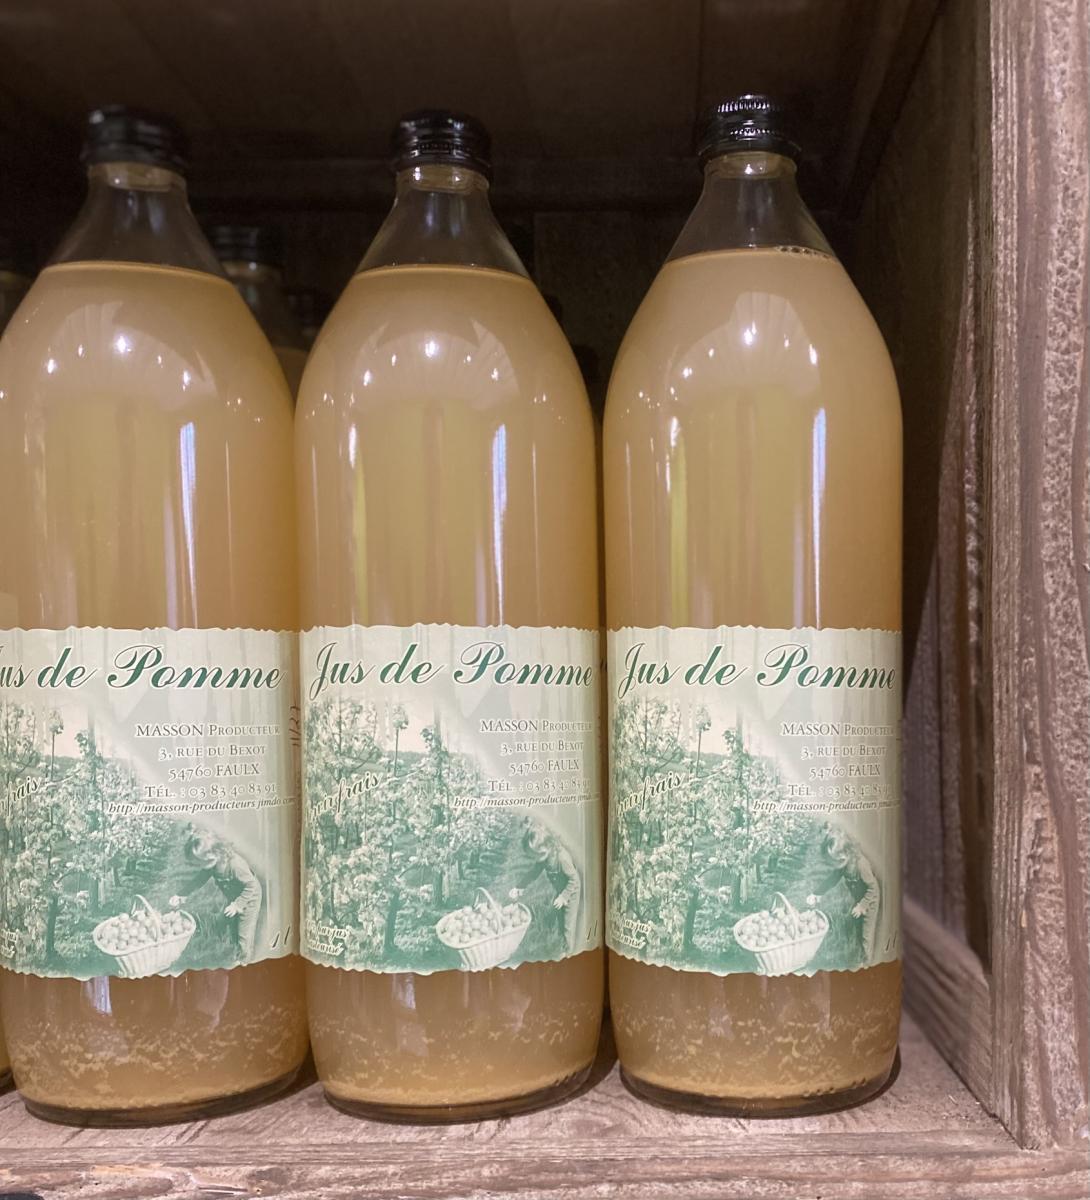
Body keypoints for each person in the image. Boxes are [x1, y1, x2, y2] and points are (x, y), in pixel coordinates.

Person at [170, 828, 262, 964]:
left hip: (249, 898)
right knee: (232, 925)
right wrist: (181, 894)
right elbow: (198, 880)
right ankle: (233, 948)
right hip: (234, 896)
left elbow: (251, 885)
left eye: (201, 863)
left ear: (214, 854)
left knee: (244, 933)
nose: (200, 866)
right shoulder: (213, 864)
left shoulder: (236, 866)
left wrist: (238, 905)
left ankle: (243, 962)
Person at [806, 825, 881, 964]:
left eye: (833, 863)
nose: (833, 867)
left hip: (870, 901)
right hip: (859, 899)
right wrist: (817, 893)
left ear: (843, 856)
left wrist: (862, 906)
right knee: (857, 930)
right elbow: (832, 879)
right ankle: (859, 954)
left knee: (866, 935)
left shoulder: (861, 866)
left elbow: (873, 888)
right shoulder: (844, 864)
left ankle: (866, 964)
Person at [508, 823, 581, 954]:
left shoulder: (562, 859)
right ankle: (562, 943)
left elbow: (574, 879)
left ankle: (568, 953)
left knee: (568, 923)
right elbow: (533, 873)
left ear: (545, 848)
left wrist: (564, 897)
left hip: (571, 891)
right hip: (561, 889)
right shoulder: (544, 857)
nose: (534, 859)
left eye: (534, 856)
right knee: (560, 917)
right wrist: (520, 886)